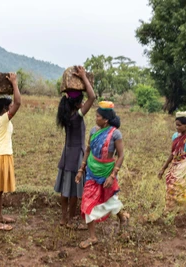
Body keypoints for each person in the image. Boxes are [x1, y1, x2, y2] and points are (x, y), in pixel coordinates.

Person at [75, 101, 129, 249]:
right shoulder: (93, 131)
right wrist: (81, 169)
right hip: (92, 172)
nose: (95, 117)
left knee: (109, 200)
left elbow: (121, 155)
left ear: (105, 119)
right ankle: (93, 237)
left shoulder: (115, 133)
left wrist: (112, 176)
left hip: (107, 172)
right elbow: (88, 150)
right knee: (87, 201)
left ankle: (122, 217)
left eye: (97, 116)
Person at [55, 65, 96, 229]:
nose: (84, 103)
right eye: (82, 101)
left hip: (66, 154)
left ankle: (64, 218)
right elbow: (92, 97)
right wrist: (84, 77)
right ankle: (71, 218)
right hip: (76, 156)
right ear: (78, 103)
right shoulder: (77, 116)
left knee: (65, 189)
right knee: (73, 191)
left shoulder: (66, 116)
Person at [0, 73, 21, 231]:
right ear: (5, 108)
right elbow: (18, 102)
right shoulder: (3, 119)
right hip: (2, 155)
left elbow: (15, 103)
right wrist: (14, 83)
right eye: (9, 106)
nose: (11, 108)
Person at [158, 111, 186, 212]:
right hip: (175, 167)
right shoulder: (175, 136)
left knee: (181, 189)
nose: (177, 127)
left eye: (179, 125)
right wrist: (163, 168)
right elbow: (173, 154)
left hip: (185, 169)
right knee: (170, 185)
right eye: (176, 125)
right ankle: (170, 208)